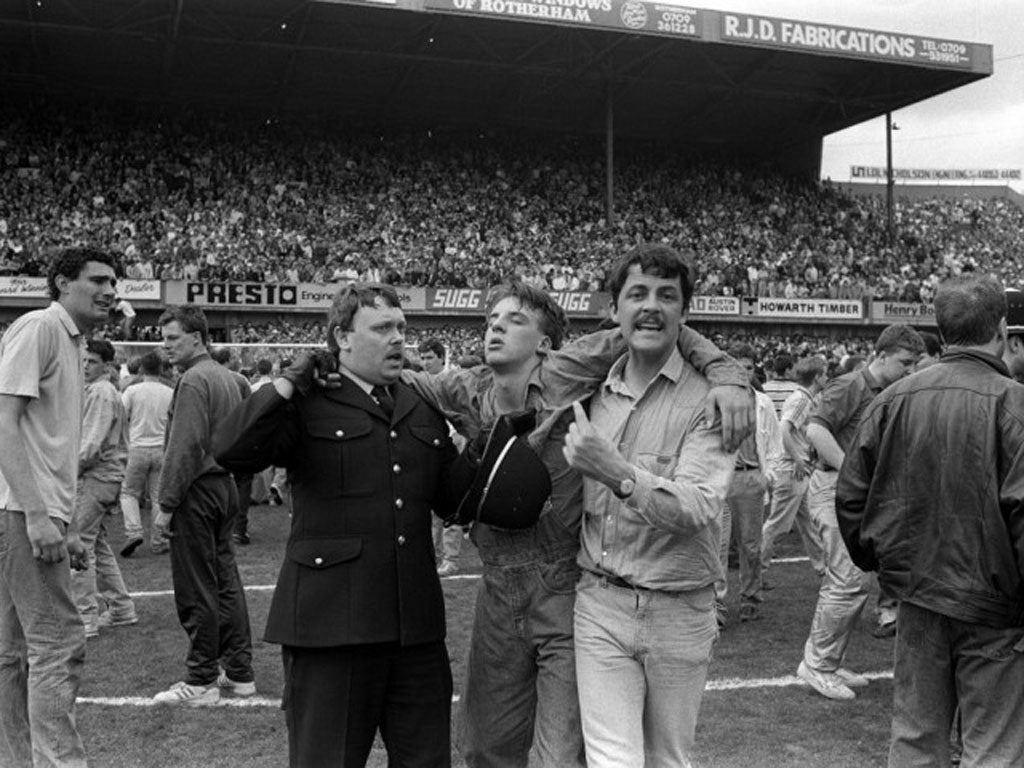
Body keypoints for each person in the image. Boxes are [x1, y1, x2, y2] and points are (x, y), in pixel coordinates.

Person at [402, 281, 750, 768]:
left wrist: (728, 375)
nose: (496, 326)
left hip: (564, 585)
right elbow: (398, 376)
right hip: (497, 588)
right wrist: (320, 366)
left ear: (545, 342)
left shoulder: (569, 367)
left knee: (561, 755)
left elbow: (659, 327)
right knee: (485, 748)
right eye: (491, 320)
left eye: (514, 319)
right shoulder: (465, 387)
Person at [214, 283, 461, 768]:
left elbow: (456, 498)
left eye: (402, 329)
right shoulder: (308, 399)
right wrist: (286, 384)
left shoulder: (420, 404)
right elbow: (230, 449)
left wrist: (489, 440)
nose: (398, 340)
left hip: (414, 631)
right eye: (383, 328)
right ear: (341, 338)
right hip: (330, 628)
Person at [837, 275, 1024, 766]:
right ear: (1002, 330)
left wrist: (886, 567)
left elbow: (852, 497)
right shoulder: (1014, 404)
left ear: (941, 334)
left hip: (920, 594)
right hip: (994, 608)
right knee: (995, 749)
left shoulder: (893, 399)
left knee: (917, 739)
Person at [564, 243, 737, 768]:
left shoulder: (715, 397)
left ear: (685, 314)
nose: (651, 307)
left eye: (667, 296)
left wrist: (616, 473)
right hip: (600, 602)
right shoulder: (590, 390)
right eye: (636, 294)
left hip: (680, 608)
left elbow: (698, 507)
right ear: (614, 309)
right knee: (613, 760)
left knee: (668, 759)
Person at [0, 246, 118, 768]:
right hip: (21, 513)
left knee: (13, 651)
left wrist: (62, 523)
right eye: (98, 280)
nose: (110, 290)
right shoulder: (41, 328)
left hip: (26, 513)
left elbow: (46, 440)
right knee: (58, 644)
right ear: (61, 283)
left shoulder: (71, 341)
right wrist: (37, 514)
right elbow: (3, 422)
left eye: (114, 281)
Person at [796, 323, 924, 700]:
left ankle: (830, 661)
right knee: (847, 579)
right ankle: (817, 666)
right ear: (881, 356)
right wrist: (854, 473)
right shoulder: (848, 385)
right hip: (834, 489)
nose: (910, 370)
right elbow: (815, 432)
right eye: (905, 362)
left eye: (915, 363)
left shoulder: (883, 391)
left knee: (856, 580)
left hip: (852, 492)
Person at [152, 306, 255, 706]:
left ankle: (200, 679)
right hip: (224, 486)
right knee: (226, 581)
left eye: (173, 337)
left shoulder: (194, 380)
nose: (166, 346)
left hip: (198, 490)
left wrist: (165, 504)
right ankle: (240, 672)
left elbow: (184, 447)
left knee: (197, 586)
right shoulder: (229, 377)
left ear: (196, 337)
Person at [73, 338, 137, 638]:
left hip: (96, 477)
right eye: (84, 360)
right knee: (96, 545)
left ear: (107, 366)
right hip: (105, 477)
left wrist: (69, 473)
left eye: (92, 362)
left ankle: (85, 617)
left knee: (78, 547)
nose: (86, 366)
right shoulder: (101, 390)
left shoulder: (101, 392)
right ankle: (122, 608)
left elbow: (90, 446)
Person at [716, 343, 783, 624]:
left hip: (750, 476)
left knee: (750, 545)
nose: (743, 372)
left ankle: (750, 597)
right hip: (721, 478)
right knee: (718, 545)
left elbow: (775, 445)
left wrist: (768, 477)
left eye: (747, 367)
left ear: (753, 369)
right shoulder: (716, 398)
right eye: (738, 366)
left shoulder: (762, 403)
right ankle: (716, 603)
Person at [760, 355, 827, 581]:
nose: (828, 377)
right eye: (825, 373)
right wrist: (798, 458)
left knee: (810, 522)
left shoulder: (804, 397)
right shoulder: (801, 400)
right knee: (776, 526)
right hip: (792, 471)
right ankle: (755, 571)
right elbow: (784, 428)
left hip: (797, 470)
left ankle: (823, 568)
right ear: (817, 377)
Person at [120, 350, 174, 557]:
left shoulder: (132, 392)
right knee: (158, 496)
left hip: (137, 447)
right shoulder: (169, 392)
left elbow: (122, 416)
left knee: (129, 493)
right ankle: (159, 540)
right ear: (161, 369)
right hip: (162, 448)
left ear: (141, 368)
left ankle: (133, 530)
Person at [420, 337, 464, 576]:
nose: (425, 362)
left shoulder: (452, 381)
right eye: (423, 358)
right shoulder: (422, 382)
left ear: (441, 357)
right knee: (430, 506)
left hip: (454, 444)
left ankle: (451, 558)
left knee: (450, 504)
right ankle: (434, 555)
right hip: (433, 447)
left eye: (430, 358)